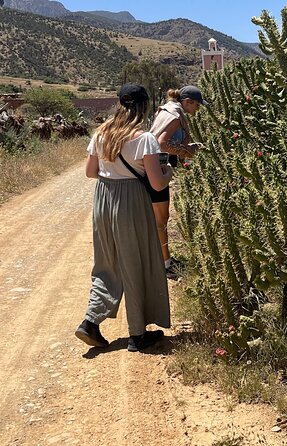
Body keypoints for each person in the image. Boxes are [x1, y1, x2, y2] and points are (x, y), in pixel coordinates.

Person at [75, 83, 173, 352]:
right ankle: (137, 333)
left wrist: (113, 175)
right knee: (136, 262)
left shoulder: (101, 133)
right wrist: (168, 172)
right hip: (131, 202)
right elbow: (156, 183)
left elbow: (90, 172)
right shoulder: (144, 138)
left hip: (103, 199)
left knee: (106, 263)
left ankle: (91, 321)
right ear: (144, 107)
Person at [149, 85, 206, 279]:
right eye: (197, 105)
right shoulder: (174, 116)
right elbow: (162, 143)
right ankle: (165, 265)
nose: (197, 109)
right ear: (188, 102)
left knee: (160, 220)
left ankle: (162, 260)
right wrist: (186, 151)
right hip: (156, 169)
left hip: (156, 168)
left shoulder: (168, 110)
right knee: (160, 220)